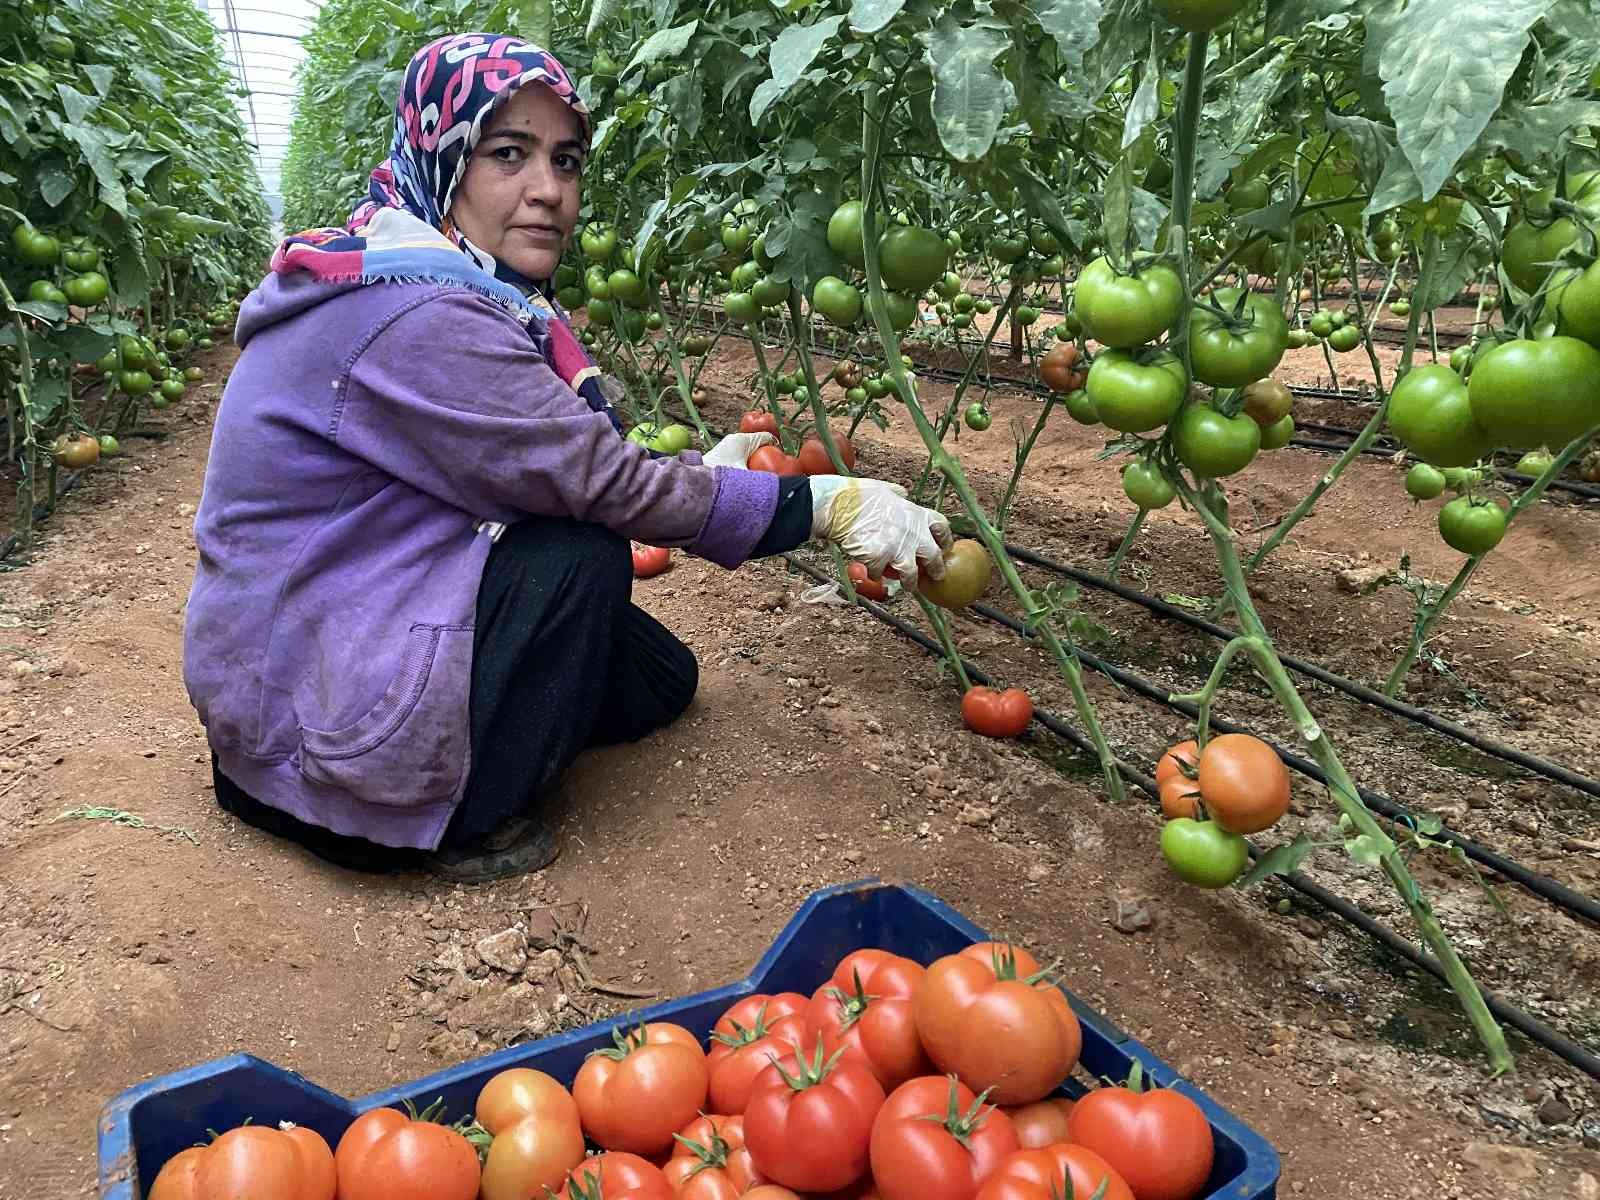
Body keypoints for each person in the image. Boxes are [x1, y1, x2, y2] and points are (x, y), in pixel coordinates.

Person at [181, 33, 951, 881]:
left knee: (661, 679)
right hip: (305, 717)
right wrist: (824, 505)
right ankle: (419, 821)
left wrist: (709, 477)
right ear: (444, 160)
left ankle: (449, 745)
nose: (548, 190)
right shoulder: (418, 313)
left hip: (349, 611)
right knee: (580, 555)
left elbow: (544, 455)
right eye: (507, 154)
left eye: (566, 160)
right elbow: (600, 482)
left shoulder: (420, 272)